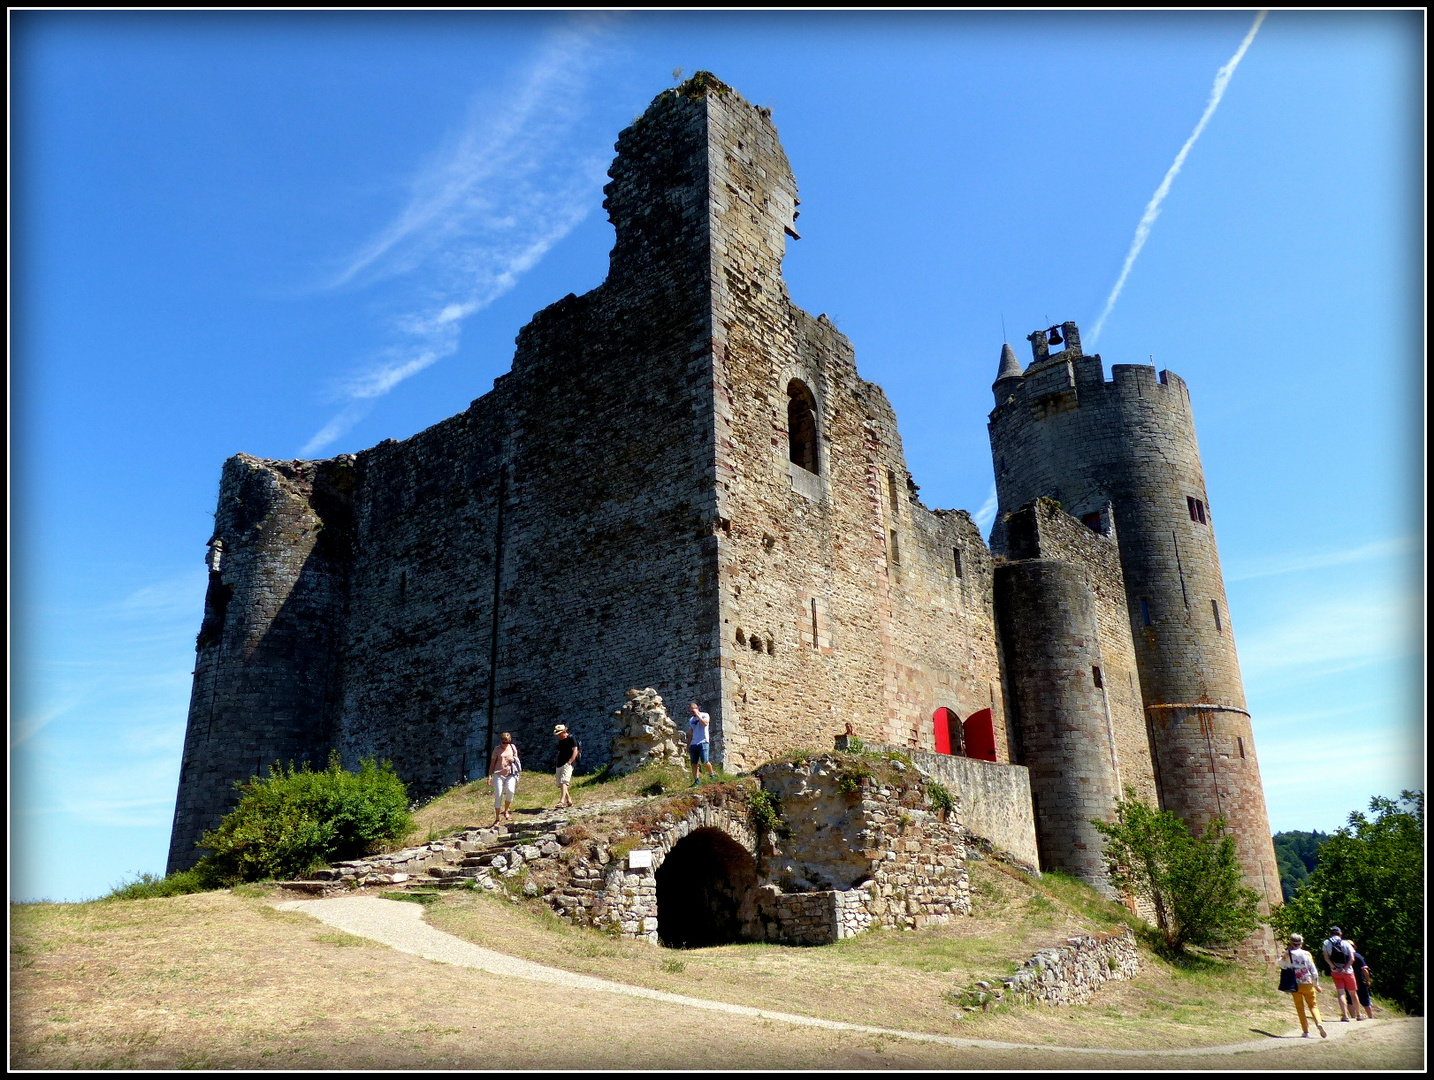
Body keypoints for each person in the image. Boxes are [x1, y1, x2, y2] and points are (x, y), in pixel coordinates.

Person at [1280, 933, 1327, 1038]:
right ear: (1301, 943)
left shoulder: (1288, 954)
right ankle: (1318, 1022)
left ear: (1291, 942)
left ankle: (1305, 1031)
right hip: (1307, 982)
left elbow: (1281, 964)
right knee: (1313, 1005)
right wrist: (1316, 984)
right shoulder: (1307, 954)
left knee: (1300, 1007)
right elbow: (1313, 970)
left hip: (1295, 984)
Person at [1322, 925, 1359, 1021]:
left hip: (1335, 972)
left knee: (1341, 993)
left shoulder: (1326, 943)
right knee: (1353, 993)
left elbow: (1326, 958)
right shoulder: (1346, 943)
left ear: (1331, 934)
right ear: (1340, 934)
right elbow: (1352, 958)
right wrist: (1345, 968)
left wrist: (1334, 967)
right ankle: (1358, 1015)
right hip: (1348, 972)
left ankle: (1345, 1016)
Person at [488, 732, 520, 826]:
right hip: (498, 774)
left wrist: (513, 760)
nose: (505, 744)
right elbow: (492, 764)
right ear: (500, 741)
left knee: (510, 791)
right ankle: (497, 818)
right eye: (503, 742)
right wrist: (489, 776)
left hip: (510, 773)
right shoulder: (497, 750)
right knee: (498, 795)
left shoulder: (512, 747)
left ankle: (506, 811)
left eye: (507, 742)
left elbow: (516, 759)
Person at [686, 702, 716, 784]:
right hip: (694, 743)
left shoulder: (705, 715)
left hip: (703, 742)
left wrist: (698, 715)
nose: (692, 713)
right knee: (693, 763)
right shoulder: (691, 720)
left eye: (693, 711)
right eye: (691, 711)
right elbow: (691, 732)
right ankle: (696, 780)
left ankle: (712, 774)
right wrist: (688, 745)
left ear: (697, 708)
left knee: (705, 761)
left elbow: (705, 723)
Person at [552, 724, 579, 809]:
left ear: (564, 732)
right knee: (560, 784)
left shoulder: (571, 738)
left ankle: (562, 801)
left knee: (564, 782)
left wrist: (570, 761)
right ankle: (569, 800)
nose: (558, 736)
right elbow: (559, 752)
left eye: (560, 734)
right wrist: (556, 761)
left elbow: (575, 750)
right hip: (560, 763)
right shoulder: (561, 741)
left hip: (568, 763)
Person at [1348, 940, 1375, 1020]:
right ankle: (1370, 1018)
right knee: (1365, 1000)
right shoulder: (1357, 956)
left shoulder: (1344, 956)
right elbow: (1365, 969)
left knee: (1350, 999)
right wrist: (1368, 980)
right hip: (1360, 980)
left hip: (1348, 979)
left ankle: (1353, 1018)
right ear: (1354, 947)